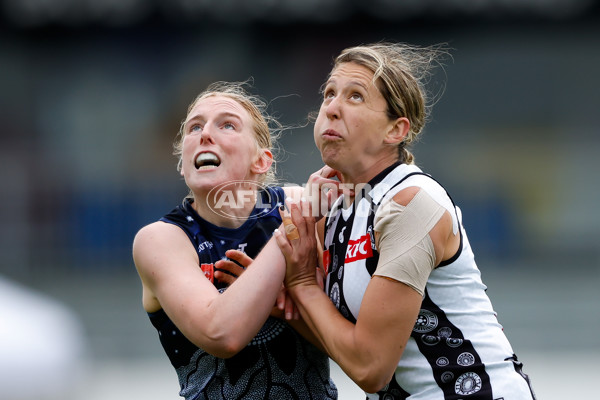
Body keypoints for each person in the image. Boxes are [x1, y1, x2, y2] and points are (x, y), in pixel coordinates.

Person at [274, 43, 536, 399]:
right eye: (329, 93)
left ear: (396, 131)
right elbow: (337, 337)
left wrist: (302, 284)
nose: (332, 108)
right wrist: (285, 301)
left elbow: (370, 367)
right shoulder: (335, 211)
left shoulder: (412, 204)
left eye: (354, 97)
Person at [132, 81, 337, 399]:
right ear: (183, 165)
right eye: (194, 127)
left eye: (227, 124)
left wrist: (282, 307)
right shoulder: (162, 240)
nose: (205, 134)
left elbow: (352, 347)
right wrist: (295, 225)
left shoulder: (300, 205)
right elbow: (222, 334)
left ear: (262, 161)